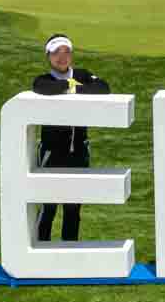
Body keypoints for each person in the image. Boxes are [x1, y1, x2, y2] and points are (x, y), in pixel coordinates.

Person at [29, 33, 111, 243]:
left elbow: (103, 88)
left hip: (79, 151)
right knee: (48, 207)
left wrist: (74, 86)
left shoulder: (82, 74)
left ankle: (70, 253)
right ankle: (40, 252)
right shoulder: (44, 79)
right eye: (56, 53)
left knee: (73, 208)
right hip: (51, 153)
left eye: (66, 52)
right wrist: (71, 87)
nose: (62, 57)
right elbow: (43, 88)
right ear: (48, 56)